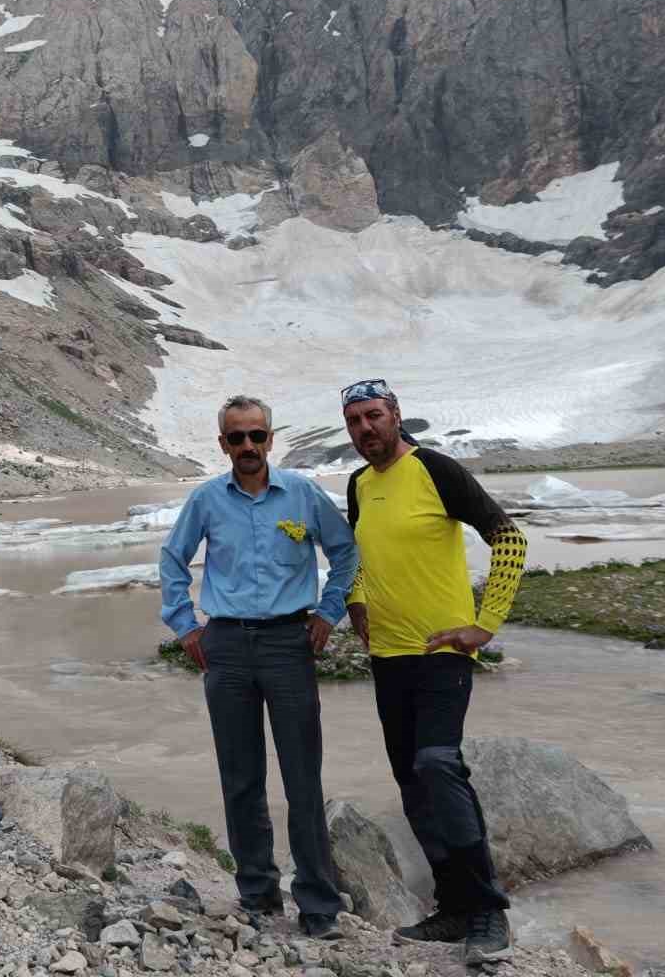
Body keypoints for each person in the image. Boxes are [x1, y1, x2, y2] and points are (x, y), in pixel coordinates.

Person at [338, 379, 527, 966]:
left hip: (443, 650)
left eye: (374, 416)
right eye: (354, 421)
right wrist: (357, 601)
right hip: (388, 656)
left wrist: (484, 624)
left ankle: (487, 910)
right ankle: (452, 906)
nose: (365, 429)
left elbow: (509, 539)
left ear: (395, 415)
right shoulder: (360, 485)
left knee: (437, 764)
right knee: (412, 782)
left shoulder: (436, 470)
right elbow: (356, 556)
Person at [160, 394, 359, 940]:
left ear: (271, 439)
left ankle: (318, 903)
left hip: (288, 644)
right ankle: (257, 893)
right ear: (222, 444)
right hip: (224, 645)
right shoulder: (206, 499)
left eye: (255, 435)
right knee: (241, 776)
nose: (246, 446)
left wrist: (329, 612)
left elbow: (345, 552)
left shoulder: (300, 494)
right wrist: (186, 626)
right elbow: (172, 558)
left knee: (302, 777)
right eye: (235, 437)